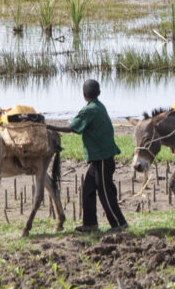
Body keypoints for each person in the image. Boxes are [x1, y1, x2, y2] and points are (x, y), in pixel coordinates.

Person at [48, 78, 129, 233]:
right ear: (99, 92)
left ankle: (119, 223)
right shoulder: (99, 106)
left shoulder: (89, 110)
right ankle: (90, 224)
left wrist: (49, 126)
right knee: (88, 190)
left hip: (102, 158)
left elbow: (72, 128)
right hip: (99, 158)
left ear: (83, 94)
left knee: (105, 192)